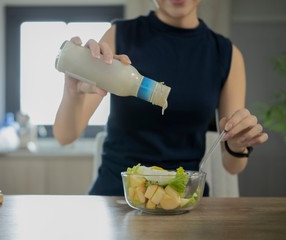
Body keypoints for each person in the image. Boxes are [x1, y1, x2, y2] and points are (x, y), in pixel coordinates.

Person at [53, 0, 269, 196]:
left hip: (182, 198)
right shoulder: (120, 34)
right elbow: (65, 136)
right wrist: (73, 91)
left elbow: (233, 166)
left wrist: (237, 143)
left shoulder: (226, 54)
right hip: (117, 196)